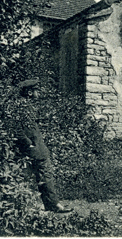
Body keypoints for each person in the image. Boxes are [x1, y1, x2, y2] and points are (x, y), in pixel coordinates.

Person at [11, 78, 72, 214]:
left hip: (36, 147)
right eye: (36, 90)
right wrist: (29, 144)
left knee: (41, 175)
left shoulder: (25, 105)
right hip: (32, 149)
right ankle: (52, 204)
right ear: (29, 92)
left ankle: (49, 204)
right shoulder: (21, 107)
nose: (39, 93)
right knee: (44, 174)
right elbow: (16, 129)